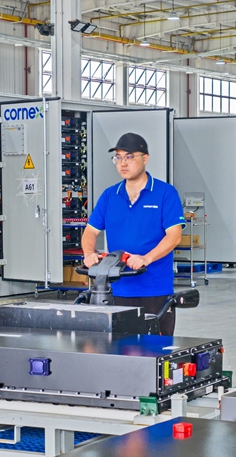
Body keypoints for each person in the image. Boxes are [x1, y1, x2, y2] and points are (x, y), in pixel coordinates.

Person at [82, 132, 186, 335]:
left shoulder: (165, 193)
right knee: (120, 351)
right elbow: (90, 231)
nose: (123, 163)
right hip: (118, 288)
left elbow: (174, 236)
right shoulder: (110, 195)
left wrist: (146, 258)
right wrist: (89, 254)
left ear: (145, 158)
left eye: (129, 157)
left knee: (156, 351)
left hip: (155, 290)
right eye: (118, 157)